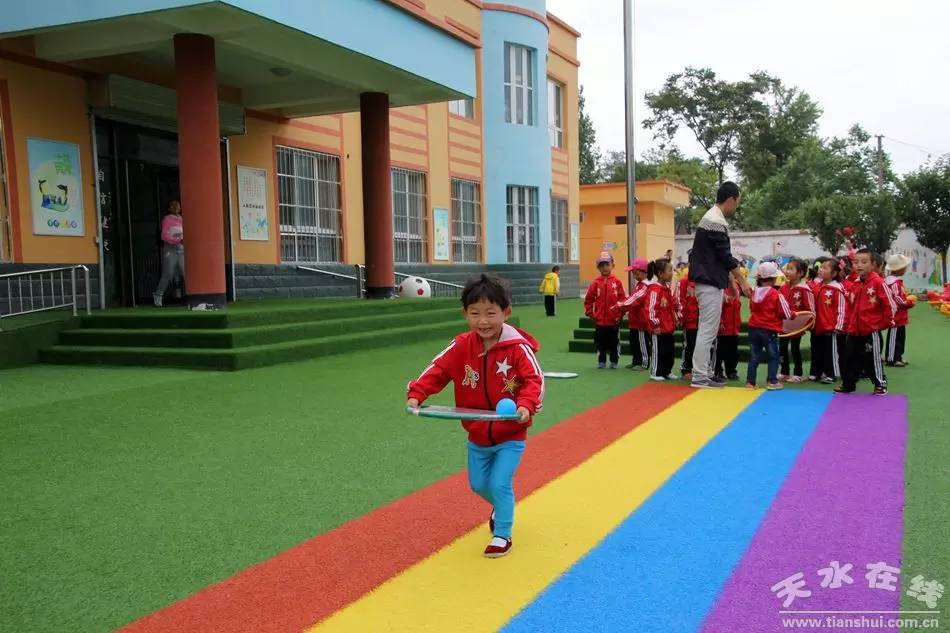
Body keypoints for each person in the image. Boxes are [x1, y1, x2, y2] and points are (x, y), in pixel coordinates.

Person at [405, 274, 543, 558]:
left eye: (491, 313)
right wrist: (418, 393)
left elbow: (534, 380)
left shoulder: (518, 348)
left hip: (510, 434)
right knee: (478, 485)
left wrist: (526, 405)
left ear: (506, 312)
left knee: (499, 483)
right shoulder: (461, 346)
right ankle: (502, 505)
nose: (483, 321)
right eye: (475, 314)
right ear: (465, 313)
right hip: (477, 435)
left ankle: (502, 533)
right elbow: (439, 369)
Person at [688, 182, 752, 389]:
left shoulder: (713, 217)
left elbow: (719, 256)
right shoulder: (715, 220)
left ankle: (703, 372)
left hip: (710, 280)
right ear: (732, 199)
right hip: (708, 282)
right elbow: (724, 256)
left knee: (708, 328)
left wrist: (731, 282)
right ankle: (699, 375)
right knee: (707, 328)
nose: (737, 206)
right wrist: (741, 281)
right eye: (738, 201)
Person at [836, 248, 896, 396]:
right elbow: (851, 307)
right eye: (856, 262)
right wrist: (848, 324)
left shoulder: (878, 283)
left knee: (872, 358)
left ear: (873, 264)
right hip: (854, 330)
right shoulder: (855, 284)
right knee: (849, 357)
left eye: (864, 262)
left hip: (871, 331)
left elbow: (891, 305)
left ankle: (880, 384)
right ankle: (849, 384)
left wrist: (881, 324)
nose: (859, 265)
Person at [746, 261, 793, 390]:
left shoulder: (754, 292)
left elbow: (751, 308)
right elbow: (786, 312)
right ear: (773, 278)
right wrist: (794, 315)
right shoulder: (776, 294)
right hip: (769, 329)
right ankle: (772, 381)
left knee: (754, 356)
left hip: (753, 328)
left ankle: (750, 382)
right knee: (773, 356)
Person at [584, 252, 626, 369]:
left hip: (614, 321)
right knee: (600, 343)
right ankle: (601, 361)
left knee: (614, 342)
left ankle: (614, 361)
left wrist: (620, 314)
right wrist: (591, 314)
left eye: (607, 264)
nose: (605, 268)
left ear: (613, 265)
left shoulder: (617, 282)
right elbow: (588, 300)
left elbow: (622, 299)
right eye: (601, 265)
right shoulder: (595, 283)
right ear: (598, 268)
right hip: (599, 321)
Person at [811, 257, 848, 384]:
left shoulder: (837, 289)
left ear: (834, 273)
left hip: (831, 328)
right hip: (818, 326)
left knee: (831, 352)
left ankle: (831, 374)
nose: (820, 269)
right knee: (818, 351)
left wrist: (839, 325)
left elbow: (842, 308)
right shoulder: (818, 286)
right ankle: (818, 372)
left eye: (825, 268)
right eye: (820, 267)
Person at [778, 258, 815, 383]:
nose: (787, 271)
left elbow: (811, 310)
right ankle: (784, 372)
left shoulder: (805, 289)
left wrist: (808, 324)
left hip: (797, 326)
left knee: (795, 348)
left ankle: (798, 373)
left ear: (800, 273)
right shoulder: (783, 288)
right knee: (782, 348)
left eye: (791, 269)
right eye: (787, 268)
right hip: (783, 325)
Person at [644, 258, 677, 381]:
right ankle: (656, 372)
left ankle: (667, 371)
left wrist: (675, 319)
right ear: (660, 274)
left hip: (668, 328)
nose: (672, 273)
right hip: (659, 329)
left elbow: (670, 307)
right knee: (659, 351)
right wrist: (655, 324)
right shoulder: (654, 289)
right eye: (669, 270)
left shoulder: (667, 289)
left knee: (669, 351)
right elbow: (650, 308)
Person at [884, 254, 914, 367]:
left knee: (900, 336)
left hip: (900, 314)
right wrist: (908, 303)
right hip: (896, 314)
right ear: (900, 269)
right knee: (894, 336)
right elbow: (897, 297)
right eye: (905, 267)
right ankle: (891, 358)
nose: (905, 269)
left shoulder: (894, 281)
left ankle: (898, 356)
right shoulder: (894, 283)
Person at [622, 257, 653, 370]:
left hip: (641, 321)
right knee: (634, 342)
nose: (634, 274)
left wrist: (623, 305)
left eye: (636, 272)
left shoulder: (646, 286)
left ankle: (644, 363)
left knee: (642, 343)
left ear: (644, 272)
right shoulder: (639, 284)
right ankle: (636, 361)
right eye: (633, 272)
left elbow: (635, 300)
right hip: (634, 320)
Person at [153, 200, 184, 307]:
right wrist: (177, 240)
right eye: (173, 206)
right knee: (168, 274)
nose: (176, 208)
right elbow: (164, 236)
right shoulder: (167, 219)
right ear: (169, 208)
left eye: (178, 206)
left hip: (181, 250)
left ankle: (185, 296)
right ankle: (158, 295)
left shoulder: (182, 219)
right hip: (170, 250)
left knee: (185, 273)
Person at [714, 277, 742, 381]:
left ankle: (731, 372)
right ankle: (717, 371)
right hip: (723, 328)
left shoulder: (736, 289)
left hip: (734, 328)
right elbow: (717, 308)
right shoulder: (720, 289)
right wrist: (720, 322)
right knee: (720, 352)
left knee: (733, 353)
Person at [675, 272, 699, 381]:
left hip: (704, 321)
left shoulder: (706, 282)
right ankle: (686, 369)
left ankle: (701, 369)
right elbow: (679, 300)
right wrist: (681, 317)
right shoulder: (683, 282)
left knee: (703, 346)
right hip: (690, 321)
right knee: (689, 345)